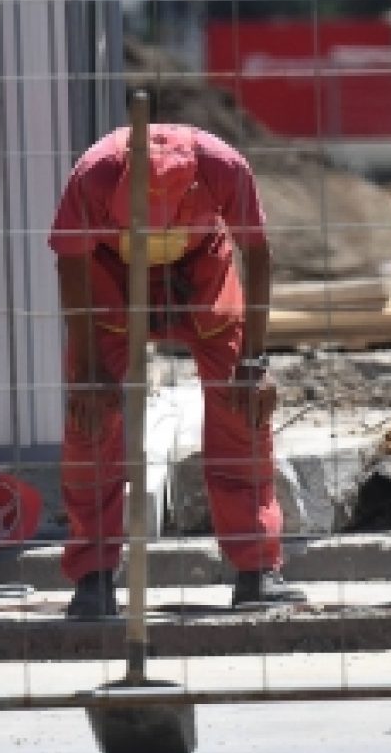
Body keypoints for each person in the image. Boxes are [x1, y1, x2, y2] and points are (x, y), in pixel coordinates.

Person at [48, 116, 307, 618]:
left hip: (201, 269)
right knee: (92, 418)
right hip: (110, 273)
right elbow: (70, 263)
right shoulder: (93, 173)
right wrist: (89, 370)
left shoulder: (223, 166)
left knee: (242, 408)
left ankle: (257, 572)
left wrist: (254, 359)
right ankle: (93, 579)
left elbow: (256, 252)